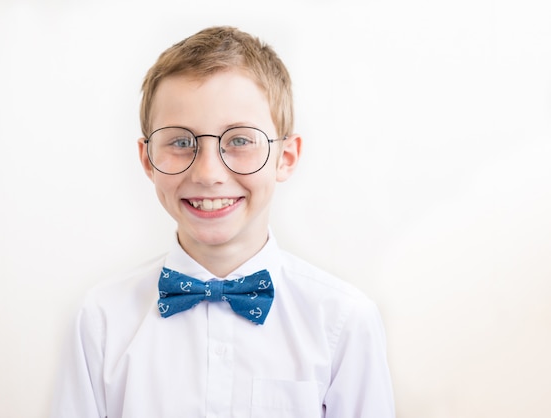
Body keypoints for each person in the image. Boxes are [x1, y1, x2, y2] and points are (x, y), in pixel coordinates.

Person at [51, 26, 395, 418]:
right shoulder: (99, 321)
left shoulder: (344, 322)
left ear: (286, 156)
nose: (209, 172)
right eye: (181, 142)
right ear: (147, 160)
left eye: (240, 140)